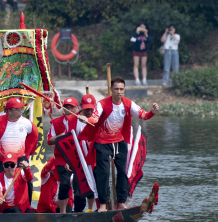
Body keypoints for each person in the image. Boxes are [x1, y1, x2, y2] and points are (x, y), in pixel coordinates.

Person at [81, 77, 159, 211]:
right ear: (111, 90)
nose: (119, 92)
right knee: (103, 173)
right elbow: (94, 118)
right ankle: (103, 205)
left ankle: (121, 202)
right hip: (102, 143)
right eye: (116, 89)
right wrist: (86, 119)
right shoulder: (102, 104)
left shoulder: (128, 104)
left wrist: (152, 111)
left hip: (119, 142)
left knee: (122, 172)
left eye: (121, 89)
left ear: (124, 90)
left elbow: (144, 116)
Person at [46, 96, 95, 213]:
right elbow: (49, 141)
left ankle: (80, 211)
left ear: (77, 108)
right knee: (64, 184)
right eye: (66, 107)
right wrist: (60, 137)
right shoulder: (57, 122)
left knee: (81, 187)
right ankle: (62, 213)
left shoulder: (83, 120)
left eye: (71, 107)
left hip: (80, 158)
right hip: (62, 158)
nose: (68, 109)